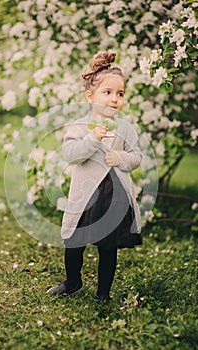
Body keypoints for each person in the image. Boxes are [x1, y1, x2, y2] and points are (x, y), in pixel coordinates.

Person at [47, 51, 142, 303]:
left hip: (114, 195)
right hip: (86, 194)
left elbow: (137, 156)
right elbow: (71, 154)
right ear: (91, 96)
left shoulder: (125, 128)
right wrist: (92, 139)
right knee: (74, 240)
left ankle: (103, 293)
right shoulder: (79, 126)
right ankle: (73, 281)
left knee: (108, 246)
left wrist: (121, 159)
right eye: (107, 93)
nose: (114, 99)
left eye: (119, 94)